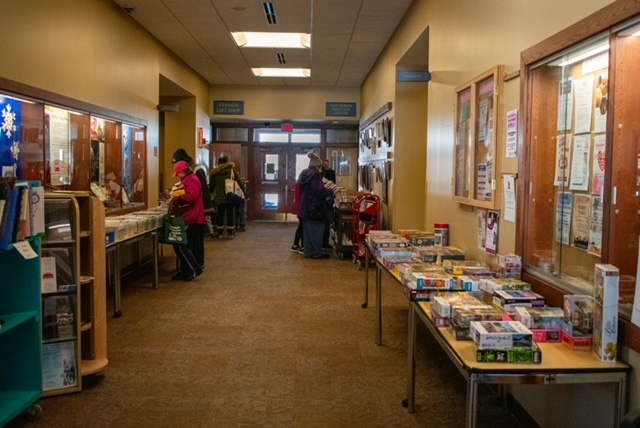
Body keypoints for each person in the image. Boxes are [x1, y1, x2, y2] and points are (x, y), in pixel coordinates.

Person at [167, 160, 205, 280]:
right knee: (184, 245)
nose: (177, 176)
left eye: (177, 174)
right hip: (193, 216)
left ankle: (193, 269)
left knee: (181, 245)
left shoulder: (191, 180)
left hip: (191, 217)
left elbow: (191, 198)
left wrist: (175, 198)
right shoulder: (189, 179)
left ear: (182, 172)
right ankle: (186, 270)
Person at [297, 152, 334, 259]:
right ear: (317, 166)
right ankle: (317, 252)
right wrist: (331, 191)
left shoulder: (304, 173)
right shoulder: (315, 175)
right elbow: (319, 191)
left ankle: (308, 252)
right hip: (314, 208)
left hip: (304, 207)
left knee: (307, 232)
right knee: (317, 230)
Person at [172, 148, 214, 235]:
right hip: (195, 213)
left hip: (194, 214)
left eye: (174, 162)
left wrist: (177, 197)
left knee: (193, 243)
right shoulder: (192, 173)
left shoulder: (193, 175)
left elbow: (193, 195)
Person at [209, 155, 243, 239]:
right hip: (230, 196)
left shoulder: (215, 173)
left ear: (219, 163)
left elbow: (212, 187)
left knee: (220, 214)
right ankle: (230, 233)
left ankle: (220, 233)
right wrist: (244, 192)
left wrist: (210, 193)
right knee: (230, 214)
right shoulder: (231, 171)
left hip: (219, 197)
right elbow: (239, 182)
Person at [320, 159, 336, 249]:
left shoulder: (331, 172)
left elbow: (333, 183)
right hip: (323, 198)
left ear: (329, 164)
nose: (324, 166)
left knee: (327, 221)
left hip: (329, 199)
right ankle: (322, 241)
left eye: (326, 164)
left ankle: (325, 241)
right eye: (323, 164)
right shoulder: (321, 172)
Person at [290, 182, 304, 253]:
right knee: (303, 226)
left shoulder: (299, 184)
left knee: (301, 226)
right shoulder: (303, 185)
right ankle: (303, 246)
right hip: (302, 207)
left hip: (299, 207)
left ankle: (295, 244)